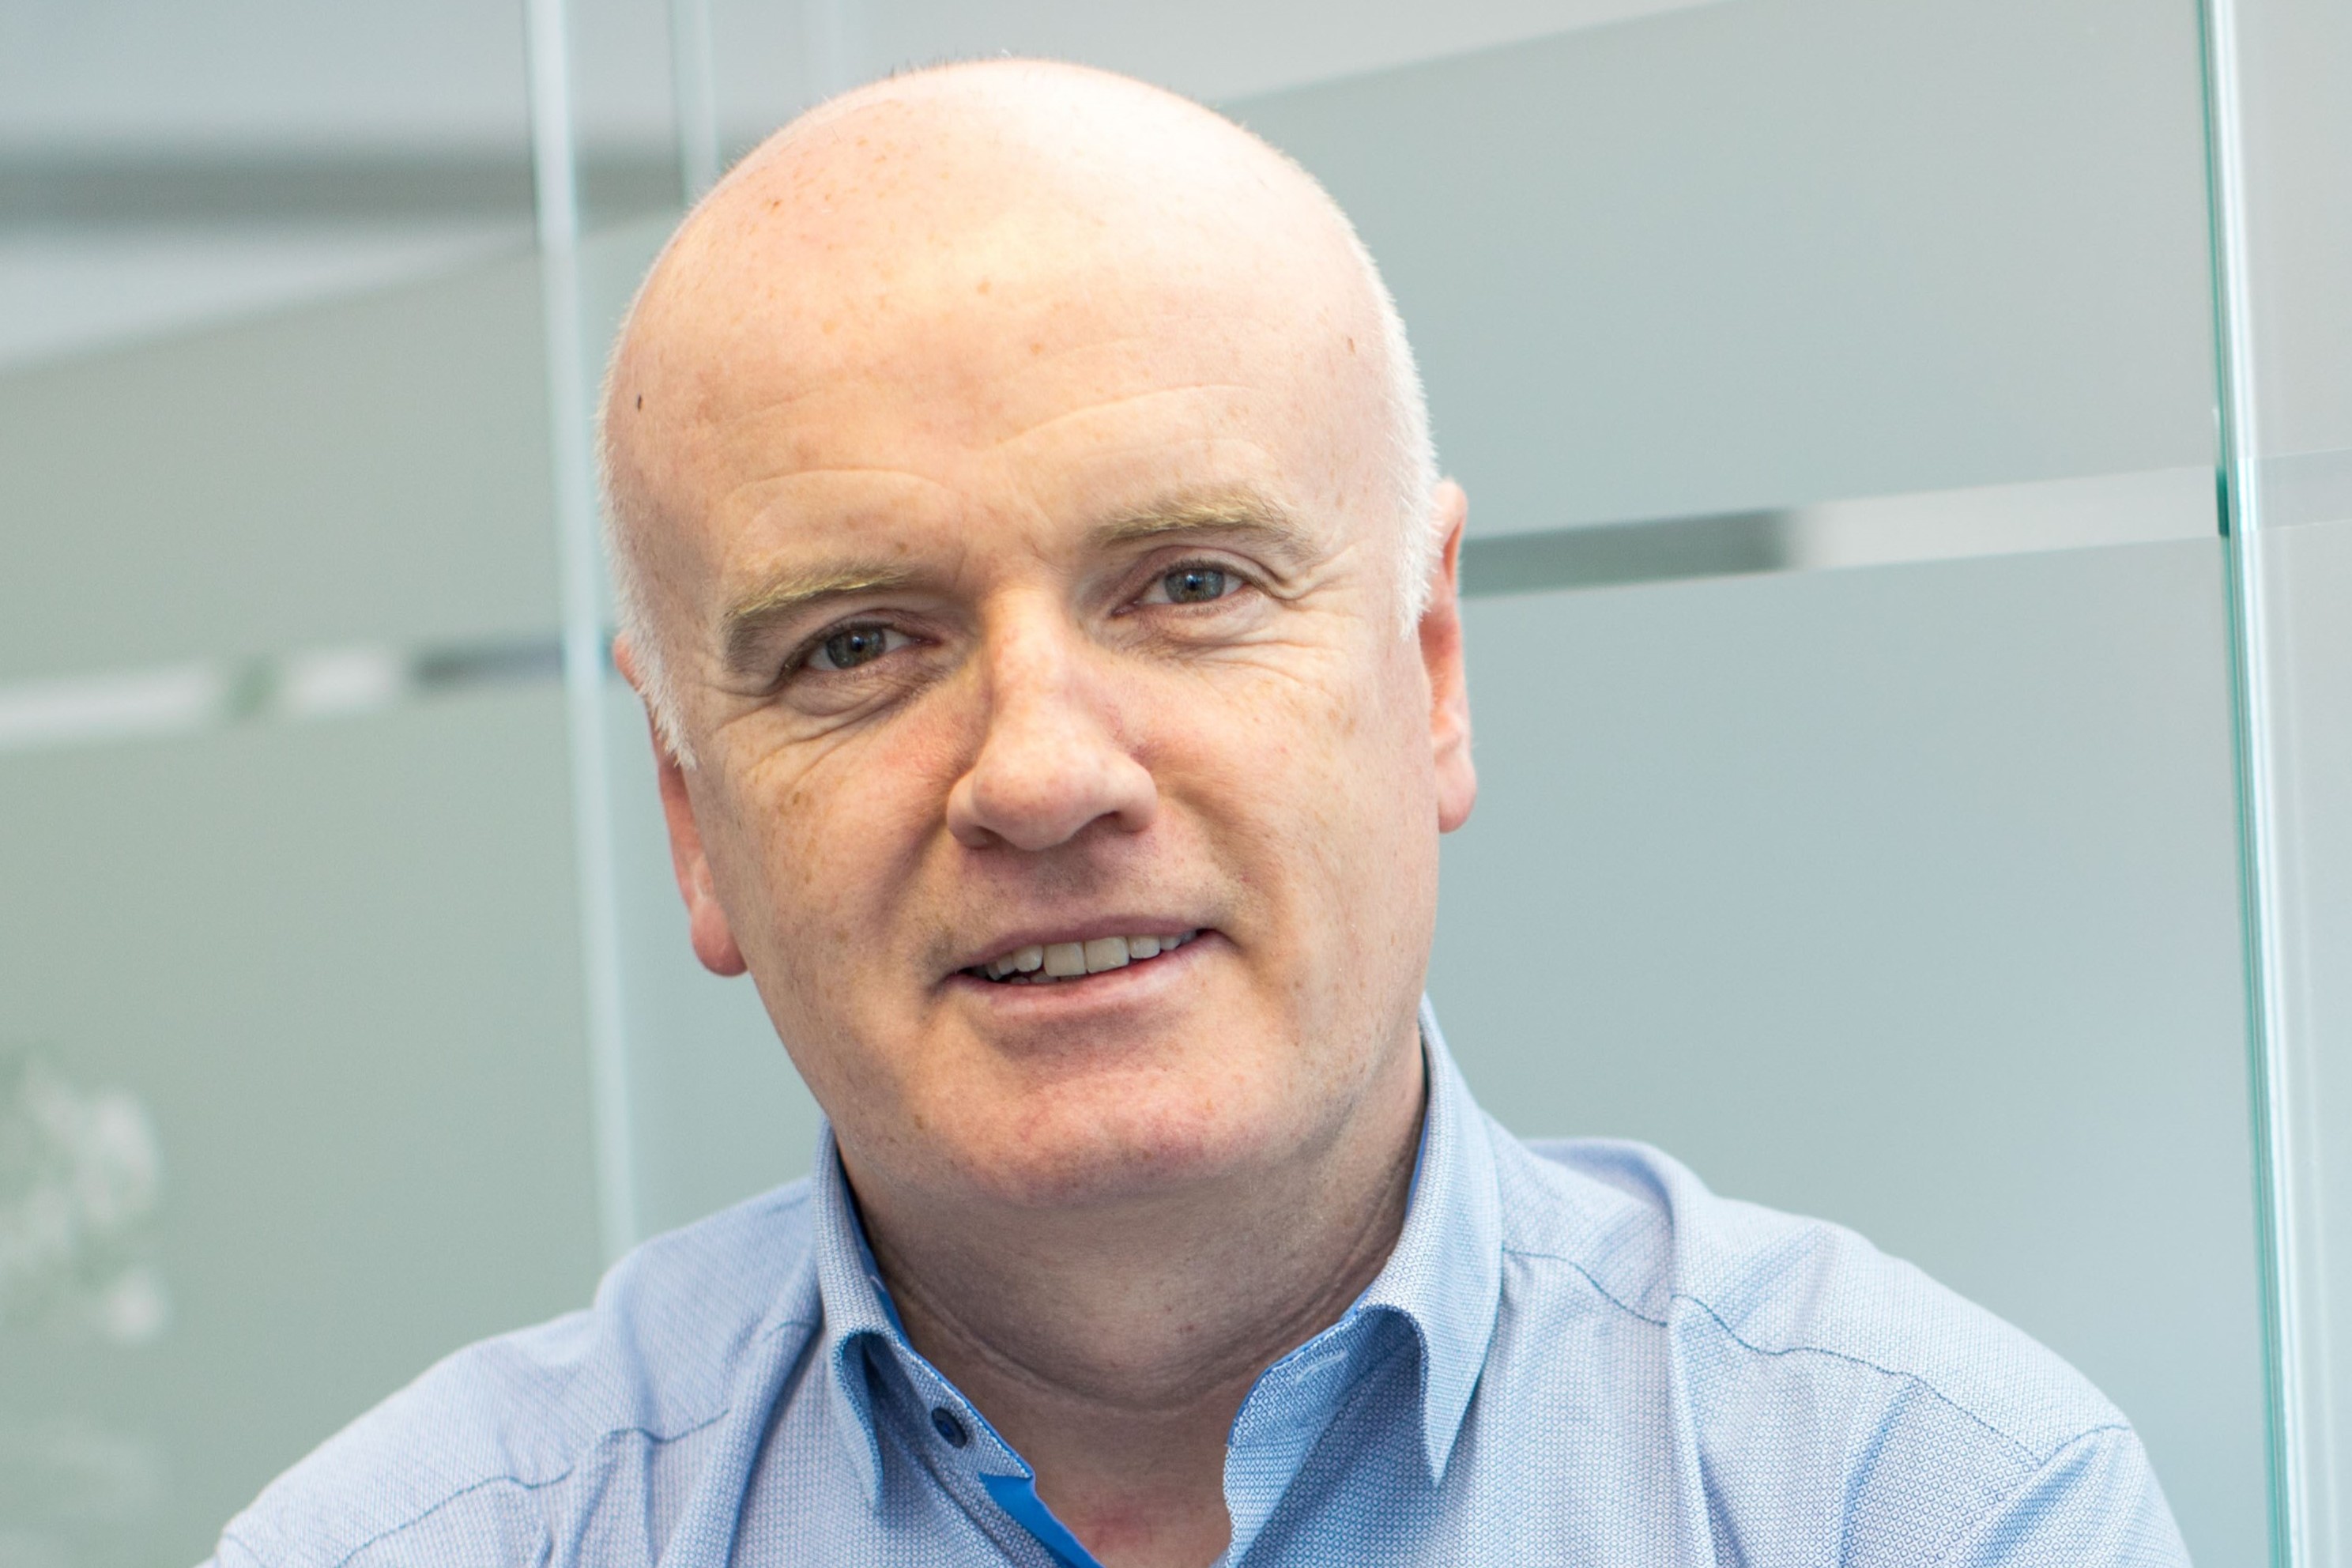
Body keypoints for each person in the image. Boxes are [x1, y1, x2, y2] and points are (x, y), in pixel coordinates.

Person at [211, 59, 2187, 1568]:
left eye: (1188, 585)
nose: (1042, 772)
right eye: (857, 644)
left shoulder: (1920, 1504)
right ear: (692, 813)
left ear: (1429, 668)